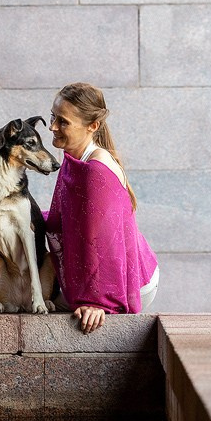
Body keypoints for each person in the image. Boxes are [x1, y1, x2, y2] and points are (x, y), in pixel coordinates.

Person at [44, 82, 159, 333]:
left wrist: (98, 302)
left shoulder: (96, 171)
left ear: (92, 126)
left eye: (63, 122)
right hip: (110, 271)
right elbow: (65, 221)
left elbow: (107, 244)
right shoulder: (76, 157)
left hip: (129, 281)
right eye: (53, 117)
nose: (52, 127)